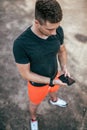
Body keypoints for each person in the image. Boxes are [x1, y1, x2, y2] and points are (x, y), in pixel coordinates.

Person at [13, 0, 70, 130]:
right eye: (50, 29)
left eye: (56, 27)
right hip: (37, 84)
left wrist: (64, 67)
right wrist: (51, 81)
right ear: (37, 22)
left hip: (55, 75)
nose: (55, 33)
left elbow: (62, 50)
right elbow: (25, 74)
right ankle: (33, 118)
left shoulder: (57, 30)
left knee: (54, 91)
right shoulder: (21, 44)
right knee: (34, 104)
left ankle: (54, 100)